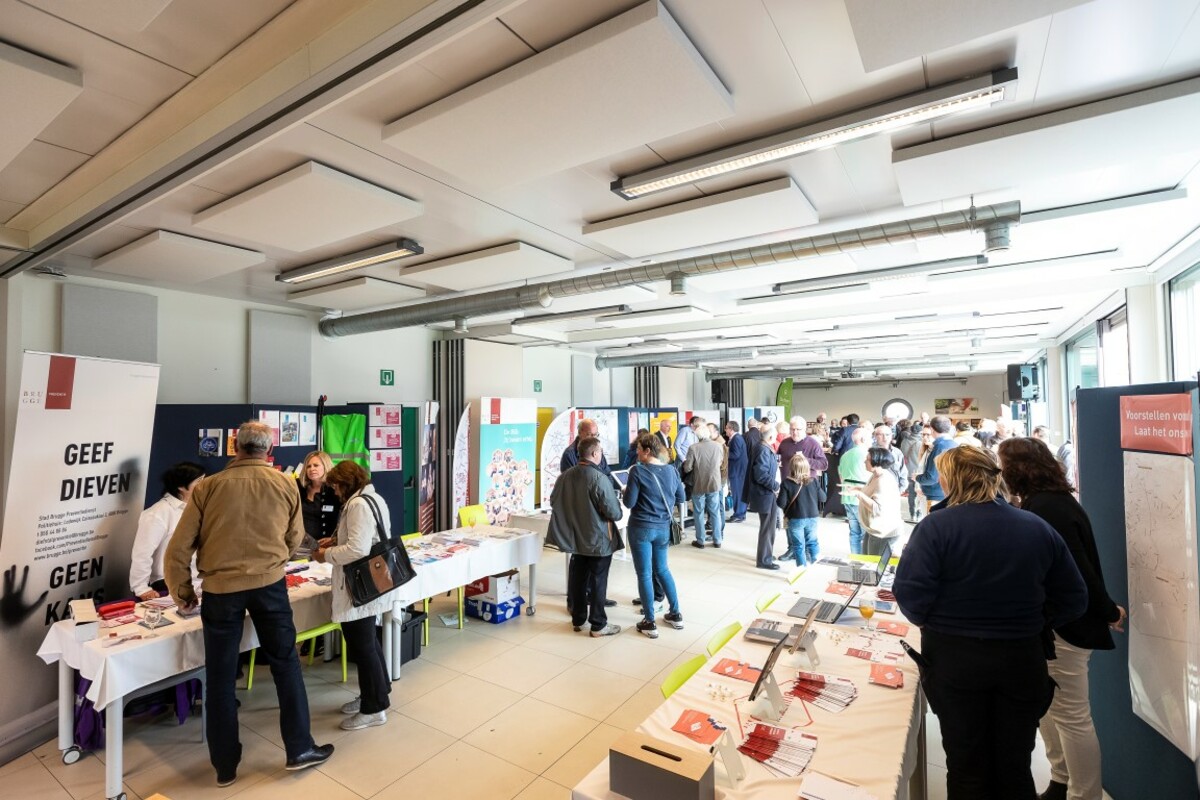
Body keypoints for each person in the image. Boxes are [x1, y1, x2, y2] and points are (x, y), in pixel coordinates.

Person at [893, 446, 1087, 800]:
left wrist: (939, 622)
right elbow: (1075, 598)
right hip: (1021, 659)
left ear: (949, 479)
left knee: (967, 766)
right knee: (1015, 766)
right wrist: (1034, 622)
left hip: (955, 661)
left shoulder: (936, 527)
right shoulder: (1035, 527)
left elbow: (910, 596)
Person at [165, 421, 332, 786]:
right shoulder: (284, 484)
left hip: (220, 589)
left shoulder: (207, 488)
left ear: (234, 447)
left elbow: (178, 549)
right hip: (269, 585)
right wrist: (275, 561)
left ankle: (225, 765)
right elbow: (295, 538)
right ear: (268, 449)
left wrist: (183, 593)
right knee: (286, 664)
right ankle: (299, 748)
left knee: (221, 677)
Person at [998, 437, 1126, 800]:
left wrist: (1106, 610)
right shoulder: (1048, 502)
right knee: (1050, 710)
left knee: (1071, 716)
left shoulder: (1046, 509)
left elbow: (1079, 570)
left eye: (1003, 464)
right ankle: (1060, 780)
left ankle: (1083, 794)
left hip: (1065, 626)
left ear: (1018, 469)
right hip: (1055, 625)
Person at [312, 461, 395, 730]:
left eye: (336, 487)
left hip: (359, 585)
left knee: (363, 645)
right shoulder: (373, 497)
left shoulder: (358, 504)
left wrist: (327, 555)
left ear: (346, 484)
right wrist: (336, 541)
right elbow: (366, 539)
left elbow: (358, 549)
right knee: (368, 642)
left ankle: (374, 709)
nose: (335, 493)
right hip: (371, 582)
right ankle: (376, 693)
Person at [546, 437, 624, 637]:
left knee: (578, 579)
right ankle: (598, 624)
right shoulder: (599, 478)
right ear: (596, 454)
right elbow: (614, 513)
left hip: (575, 538)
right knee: (598, 581)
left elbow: (554, 501)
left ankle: (579, 620)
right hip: (598, 540)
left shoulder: (565, 476)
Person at [623, 434, 685, 638]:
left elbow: (629, 503)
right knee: (663, 570)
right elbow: (681, 497)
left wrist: (626, 490)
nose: (637, 453)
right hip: (663, 528)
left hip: (641, 528)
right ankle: (675, 613)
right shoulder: (671, 470)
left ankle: (649, 621)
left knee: (644, 574)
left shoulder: (637, 472)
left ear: (648, 451)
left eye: (639, 449)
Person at [560, 418, 619, 611]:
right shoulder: (570, 454)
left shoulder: (597, 451)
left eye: (596, 434)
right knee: (579, 562)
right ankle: (575, 603)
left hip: (598, 512)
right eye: (591, 434)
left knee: (593, 564)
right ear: (581, 434)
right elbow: (575, 483)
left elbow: (607, 475)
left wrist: (607, 492)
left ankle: (594, 598)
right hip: (582, 515)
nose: (594, 438)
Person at [129, 462, 205, 600]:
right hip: (168, 584)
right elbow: (142, 554)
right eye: (199, 481)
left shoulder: (199, 508)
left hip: (198, 582)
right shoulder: (158, 513)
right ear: (181, 487)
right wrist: (141, 588)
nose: (205, 485)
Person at [844, 447, 904, 557]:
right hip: (873, 529)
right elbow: (872, 493)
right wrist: (859, 489)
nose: (864, 461)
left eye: (867, 459)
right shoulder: (875, 475)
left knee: (873, 566)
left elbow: (878, 509)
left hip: (883, 531)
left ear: (876, 462)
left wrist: (859, 494)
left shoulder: (883, 481)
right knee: (866, 559)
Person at [776, 454, 826, 566]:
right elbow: (823, 498)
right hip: (812, 517)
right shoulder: (814, 481)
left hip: (795, 518)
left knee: (798, 546)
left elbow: (781, 503)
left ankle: (801, 570)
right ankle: (817, 565)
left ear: (791, 468)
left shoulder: (787, 483)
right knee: (813, 543)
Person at [742, 428, 781, 570]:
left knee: (768, 527)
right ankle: (764, 560)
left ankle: (766, 554)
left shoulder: (762, 447)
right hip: (765, 494)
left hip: (765, 494)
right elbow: (760, 474)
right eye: (775, 437)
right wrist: (776, 486)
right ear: (771, 437)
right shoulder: (763, 450)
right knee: (768, 528)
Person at [683, 423, 723, 549]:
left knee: (699, 512)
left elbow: (688, 467)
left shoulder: (693, 448)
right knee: (715, 511)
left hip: (699, 483)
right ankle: (717, 540)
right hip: (714, 482)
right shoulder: (718, 446)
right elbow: (721, 463)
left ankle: (700, 541)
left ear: (697, 435)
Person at [296, 450, 340, 557]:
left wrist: (335, 539)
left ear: (325, 466)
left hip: (327, 547)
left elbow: (345, 519)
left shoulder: (335, 490)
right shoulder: (299, 488)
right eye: (308, 466)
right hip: (301, 547)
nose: (312, 469)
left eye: (316, 465)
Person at [838, 426, 871, 554]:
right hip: (861, 497)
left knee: (854, 532)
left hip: (847, 496)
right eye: (869, 438)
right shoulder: (867, 456)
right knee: (865, 533)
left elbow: (841, 476)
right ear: (863, 439)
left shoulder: (845, 455)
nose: (871, 441)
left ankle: (855, 559)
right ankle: (864, 560)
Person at [915, 416, 957, 512]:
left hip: (935, 494)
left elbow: (931, 477)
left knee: (931, 524)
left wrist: (917, 478)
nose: (925, 437)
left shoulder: (939, 446)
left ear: (932, 429)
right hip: (948, 492)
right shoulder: (954, 444)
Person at [778, 416, 828, 485]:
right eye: (792, 429)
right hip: (786, 485)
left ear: (804, 429)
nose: (794, 432)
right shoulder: (784, 443)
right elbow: (778, 459)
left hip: (806, 487)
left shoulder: (813, 443)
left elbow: (824, 464)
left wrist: (805, 460)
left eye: (798, 429)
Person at [897, 419, 922, 522]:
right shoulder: (922, 443)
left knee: (911, 494)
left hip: (908, 471)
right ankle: (919, 514)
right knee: (920, 494)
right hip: (919, 472)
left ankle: (912, 514)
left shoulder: (904, 441)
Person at [872, 423, 908, 487]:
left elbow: (903, 472)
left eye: (887, 435)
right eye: (881, 435)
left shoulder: (897, 452)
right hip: (875, 488)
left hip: (894, 489)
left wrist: (901, 488)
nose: (885, 438)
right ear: (875, 436)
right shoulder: (871, 452)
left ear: (892, 436)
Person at [726, 420, 748, 522]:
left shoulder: (737, 439)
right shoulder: (735, 438)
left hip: (737, 471)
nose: (725, 430)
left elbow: (736, 454)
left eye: (726, 428)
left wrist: (724, 454)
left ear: (731, 429)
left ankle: (739, 514)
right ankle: (739, 513)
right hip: (738, 471)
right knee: (738, 493)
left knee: (738, 493)